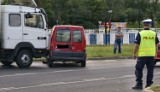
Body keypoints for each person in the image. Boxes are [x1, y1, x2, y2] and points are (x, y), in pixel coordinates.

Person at [132, 19, 159, 90]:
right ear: (149, 25)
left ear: (143, 25)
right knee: (150, 70)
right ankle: (149, 85)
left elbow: (136, 45)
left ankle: (139, 85)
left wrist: (134, 53)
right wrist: (155, 53)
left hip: (142, 55)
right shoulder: (154, 33)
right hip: (151, 55)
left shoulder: (140, 33)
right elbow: (156, 44)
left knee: (138, 69)